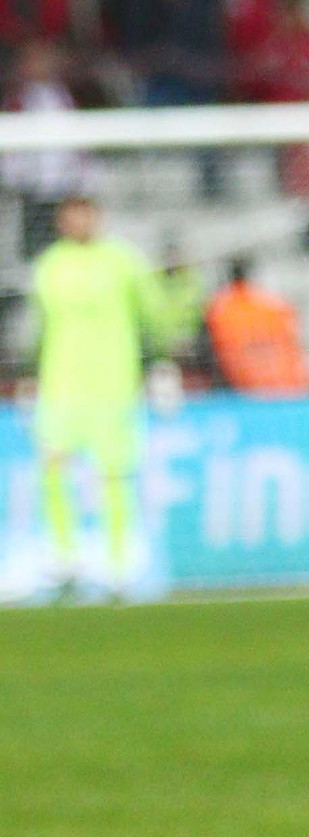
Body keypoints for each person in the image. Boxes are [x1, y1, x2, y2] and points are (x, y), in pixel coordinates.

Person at [29, 194, 163, 596]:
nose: (80, 223)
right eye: (72, 216)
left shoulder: (124, 261)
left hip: (114, 387)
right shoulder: (49, 265)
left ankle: (119, 563)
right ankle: (63, 556)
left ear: (97, 217)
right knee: (54, 472)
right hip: (61, 386)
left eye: (85, 215)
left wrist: (159, 363)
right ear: (61, 222)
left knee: (115, 477)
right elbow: (40, 328)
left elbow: (153, 317)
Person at [206, 259, 309, 392]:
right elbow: (292, 336)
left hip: (244, 383)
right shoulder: (272, 302)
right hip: (286, 382)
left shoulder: (220, 307)